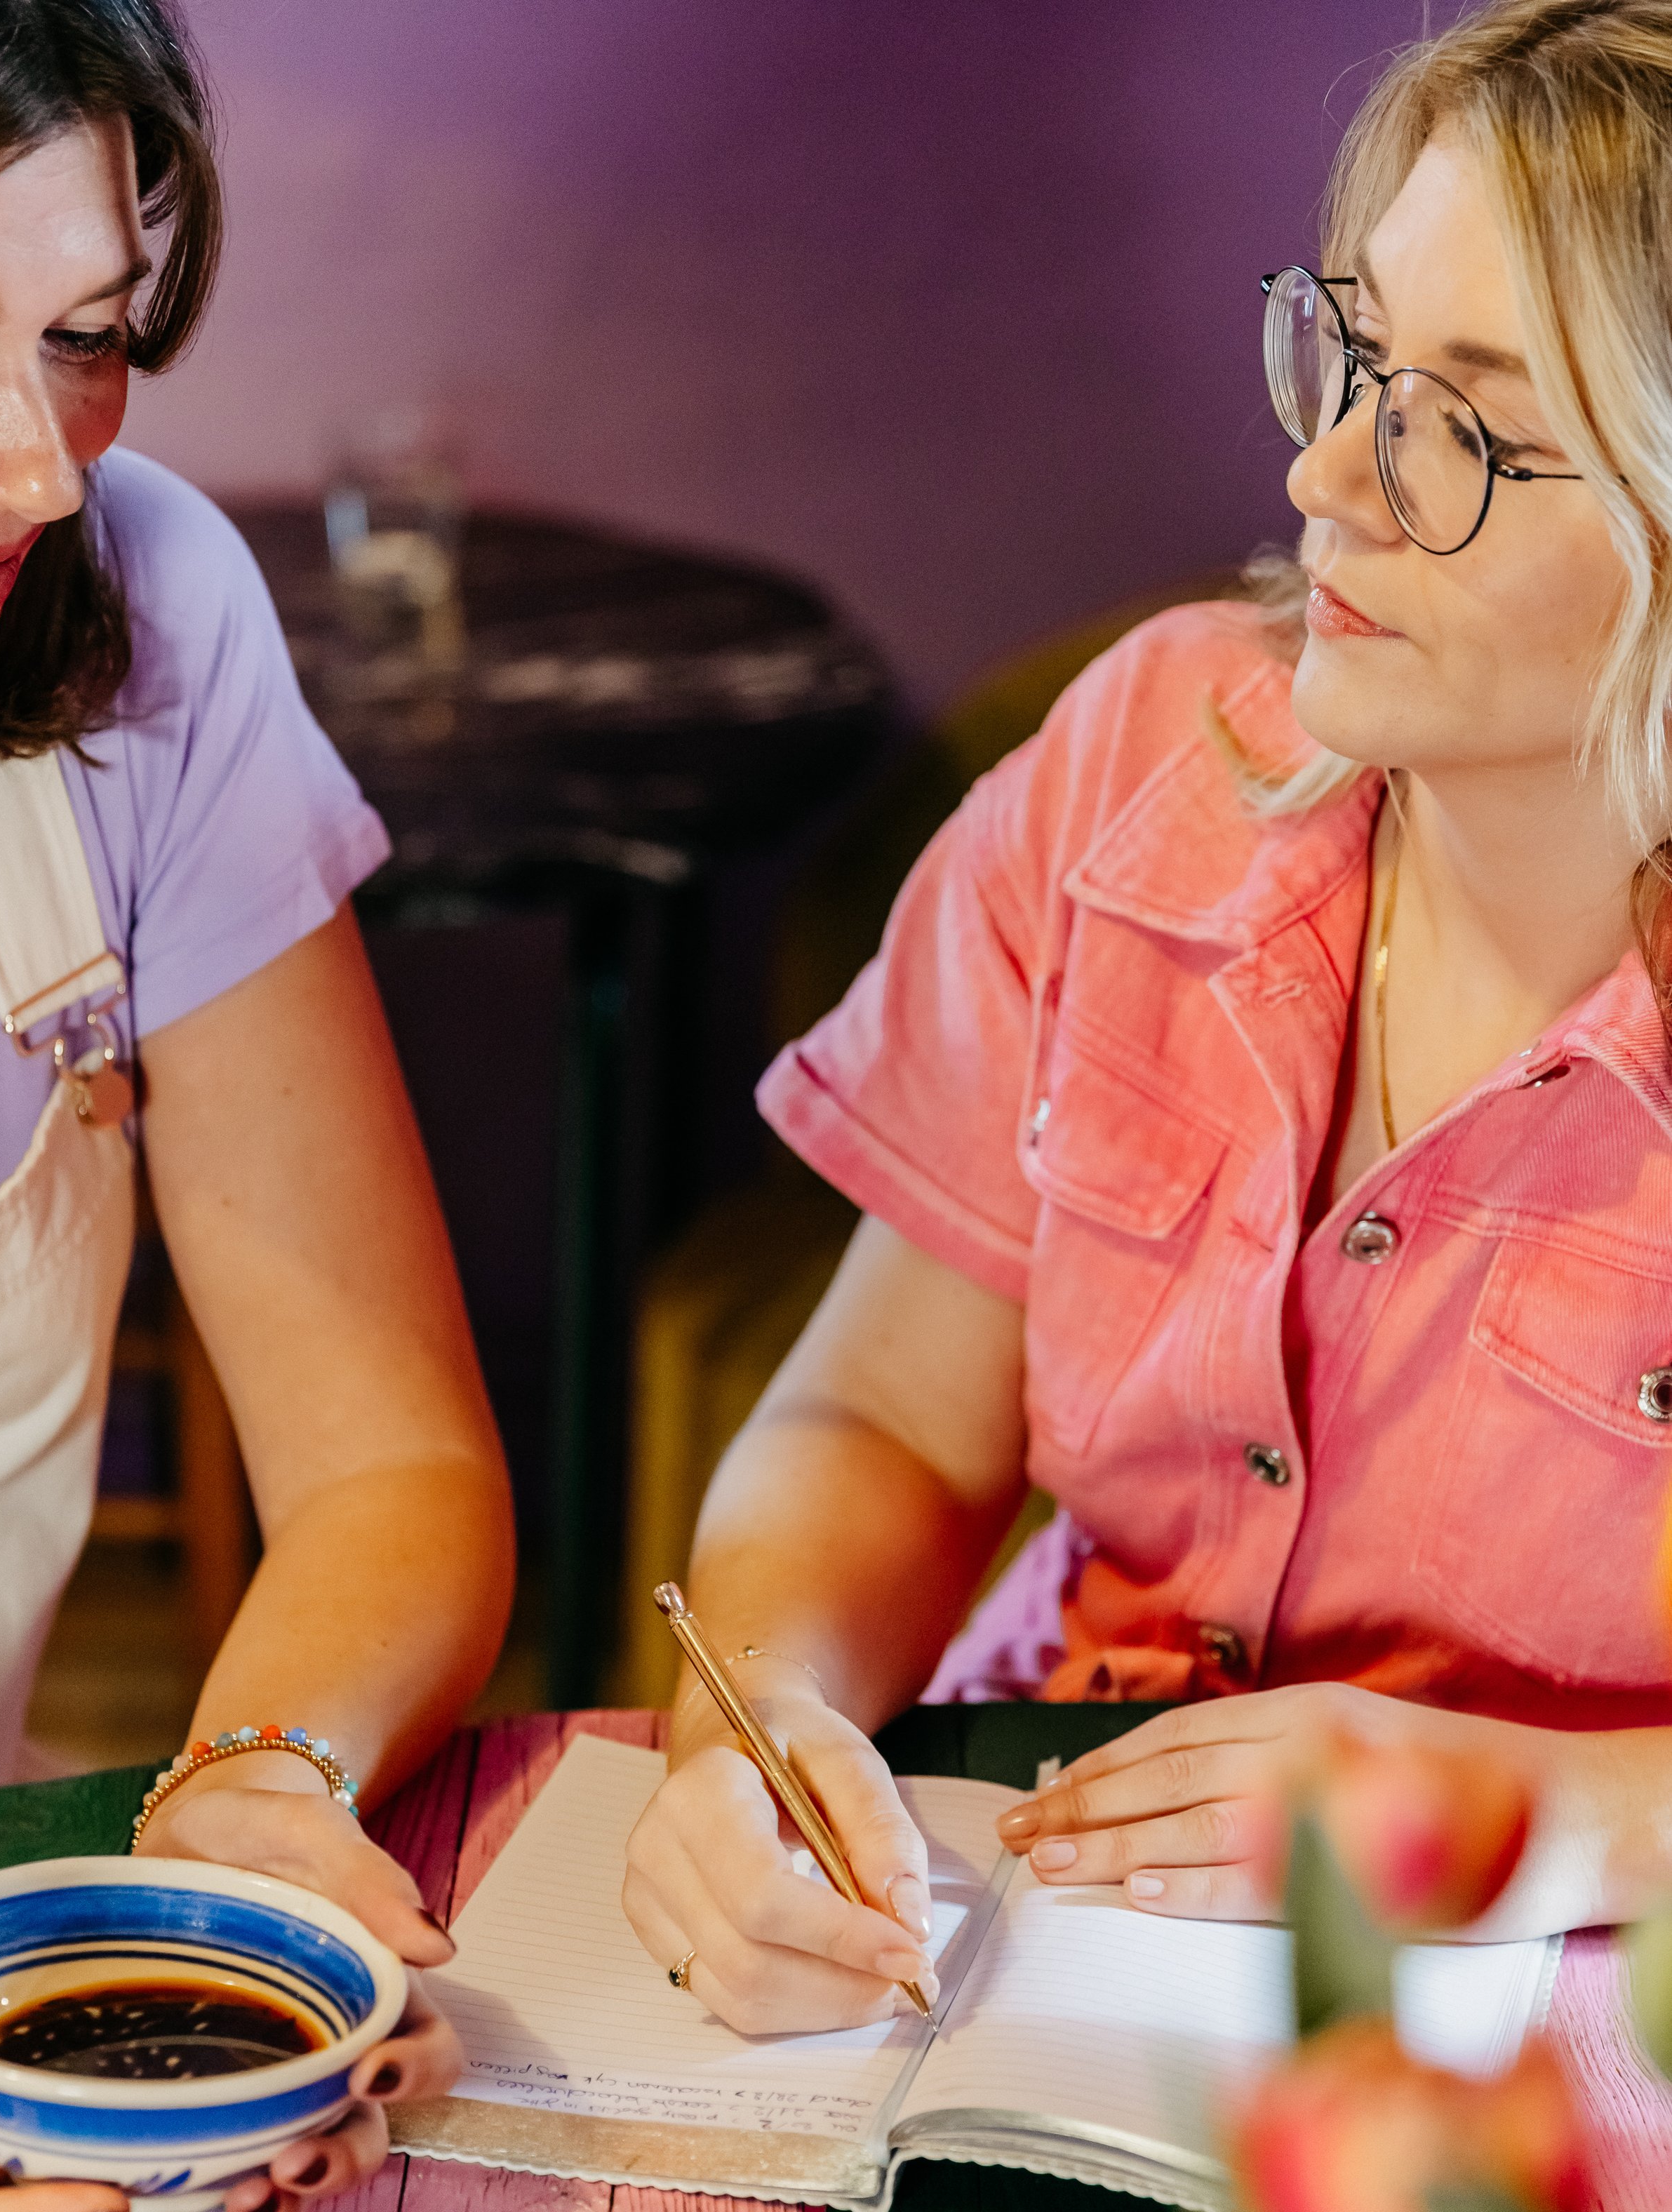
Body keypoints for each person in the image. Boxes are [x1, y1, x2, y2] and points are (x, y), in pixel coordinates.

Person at [624, 0, 1672, 2036]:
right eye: (1356, 353)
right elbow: (879, 1424)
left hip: (1564, 2019)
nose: (1322, 475)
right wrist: (751, 1745)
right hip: (1034, 1911)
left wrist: (1551, 1817)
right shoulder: (1137, 759)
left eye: (1461, 424)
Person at [0, 0, 512, 2212]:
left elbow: (387, 1466)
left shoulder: (142, 613)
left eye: (83, 337)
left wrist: (261, 1781)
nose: (36, 471)